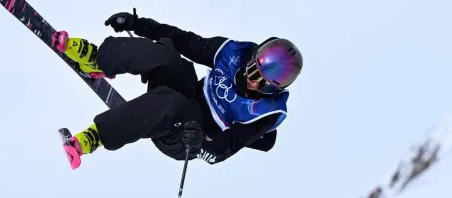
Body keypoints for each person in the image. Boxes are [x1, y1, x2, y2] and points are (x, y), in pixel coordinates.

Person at [53, 10, 303, 169]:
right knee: (168, 56)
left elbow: (224, 150)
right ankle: (96, 61)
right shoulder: (232, 53)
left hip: (186, 136)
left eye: (262, 84)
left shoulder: (267, 113)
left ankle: (91, 138)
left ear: (274, 90)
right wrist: (139, 24)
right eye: (253, 71)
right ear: (252, 58)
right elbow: (185, 40)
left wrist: (198, 147)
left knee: (174, 104)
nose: (252, 82)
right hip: (185, 93)